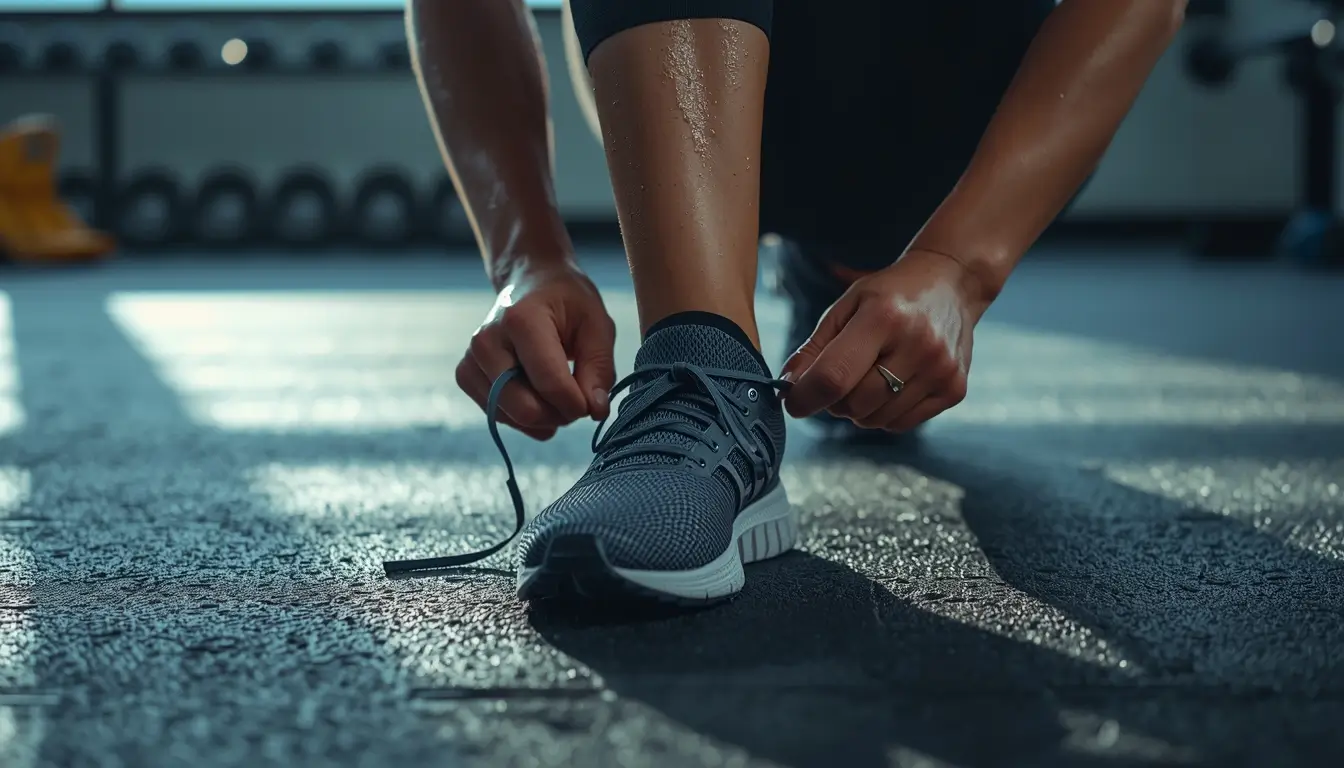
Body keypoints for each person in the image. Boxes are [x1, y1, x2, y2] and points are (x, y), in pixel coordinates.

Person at [382, 0, 1187, 604]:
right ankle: (706, 367)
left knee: (870, 273)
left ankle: (839, 275)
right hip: (682, 72)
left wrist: (957, 266)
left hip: (964, 106)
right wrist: (529, 257)